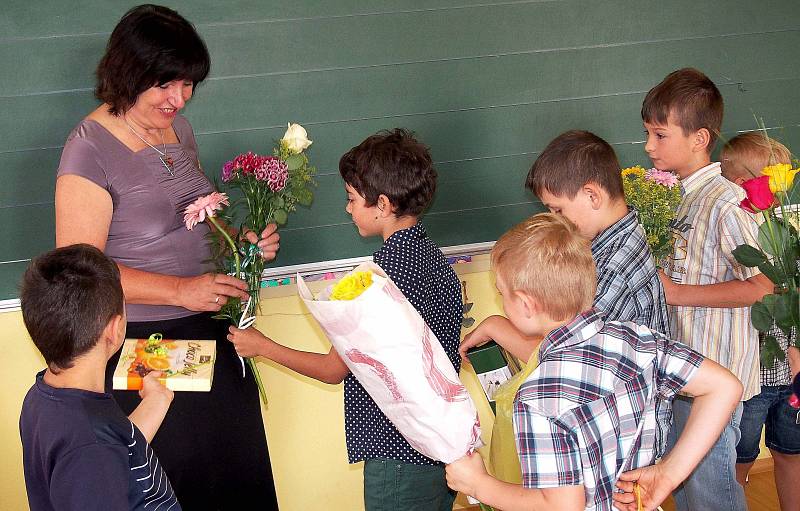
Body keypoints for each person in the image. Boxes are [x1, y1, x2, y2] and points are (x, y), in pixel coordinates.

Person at [53, 5, 279, 509]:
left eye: (188, 84)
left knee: (238, 477)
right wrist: (180, 290)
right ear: (127, 73)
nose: (179, 99)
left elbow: (191, 222)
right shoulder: (88, 149)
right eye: (165, 85)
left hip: (211, 329)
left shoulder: (180, 131)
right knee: (184, 484)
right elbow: (79, 270)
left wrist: (238, 242)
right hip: (145, 347)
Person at [228, 128, 463, 510]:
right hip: (436, 447)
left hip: (398, 452)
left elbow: (333, 369)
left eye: (352, 199)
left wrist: (262, 346)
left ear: (383, 205)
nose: (348, 209)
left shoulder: (381, 278)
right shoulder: (432, 257)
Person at [444, 213, 743, 511]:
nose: (501, 301)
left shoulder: (538, 397)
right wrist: (669, 473)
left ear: (525, 304)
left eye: (501, 293)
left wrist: (478, 484)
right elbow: (724, 387)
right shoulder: (639, 340)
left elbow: (562, 507)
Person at [642, 67, 773, 511]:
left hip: (715, 373)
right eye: (647, 134)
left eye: (660, 135)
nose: (648, 146)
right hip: (681, 367)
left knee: (710, 489)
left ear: (699, 138)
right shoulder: (674, 196)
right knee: (685, 485)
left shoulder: (725, 202)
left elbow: (763, 284)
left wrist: (677, 294)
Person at [460, 130, 669, 364]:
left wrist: (495, 327)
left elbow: (566, 359)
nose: (555, 220)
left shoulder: (614, 269)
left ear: (592, 196)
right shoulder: (619, 236)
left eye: (558, 210)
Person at [19, 244, 179, 510]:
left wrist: (156, 400)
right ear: (114, 330)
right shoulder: (89, 451)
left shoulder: (45, 397)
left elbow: (117, 450)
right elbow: (97, 453)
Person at [720, 132, 800, 510]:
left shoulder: (786, 233)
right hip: (751, 379)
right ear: (742, 187)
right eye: (773, 181)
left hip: (792, 372)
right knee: (738, 458)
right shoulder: (733, 236)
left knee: (790, 453)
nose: (782, 191)